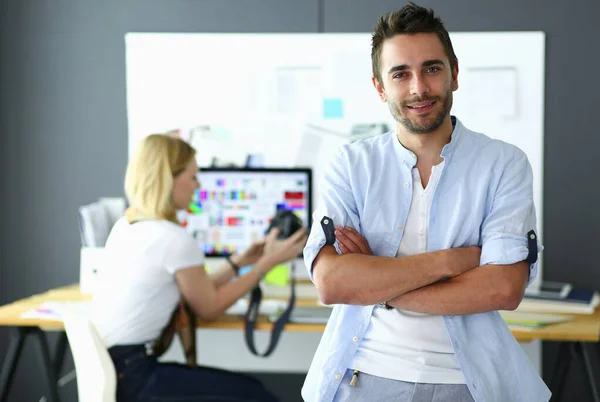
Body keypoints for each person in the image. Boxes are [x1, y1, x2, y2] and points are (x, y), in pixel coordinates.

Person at [301, 3, 550, 402]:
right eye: (400, 74)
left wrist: (379, 285)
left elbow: (503, 288)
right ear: (380, 87)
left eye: (432, 69)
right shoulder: (350, 165)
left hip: (468, 383)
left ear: (454, 74)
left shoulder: (504, 164)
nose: (418, 88)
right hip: (361, 376)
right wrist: (451, 262)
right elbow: (331, 283)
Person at [91, 134, 307, 402]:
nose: (198, 185)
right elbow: (209, 307)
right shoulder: (173, 238)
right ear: (169, 178)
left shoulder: (128, 226)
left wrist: (241, 261)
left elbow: (197, 289)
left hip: (116, 371)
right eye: (193, 177)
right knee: (256, 395)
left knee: (250, 389)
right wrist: (267, 263)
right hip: (136, 378)